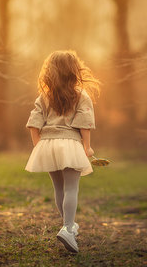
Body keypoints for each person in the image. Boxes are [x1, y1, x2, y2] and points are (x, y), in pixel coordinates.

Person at [25, 50, 100, 253]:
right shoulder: (80, 95)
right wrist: (87, 147)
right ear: (73, 71)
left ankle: (68, 226)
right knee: (71, 188)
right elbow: (84, 123)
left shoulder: (44, 96)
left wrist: (39, 146)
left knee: (59, 188)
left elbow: (34, 123)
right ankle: (68, 228)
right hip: (70, 143)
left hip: (47, 143)